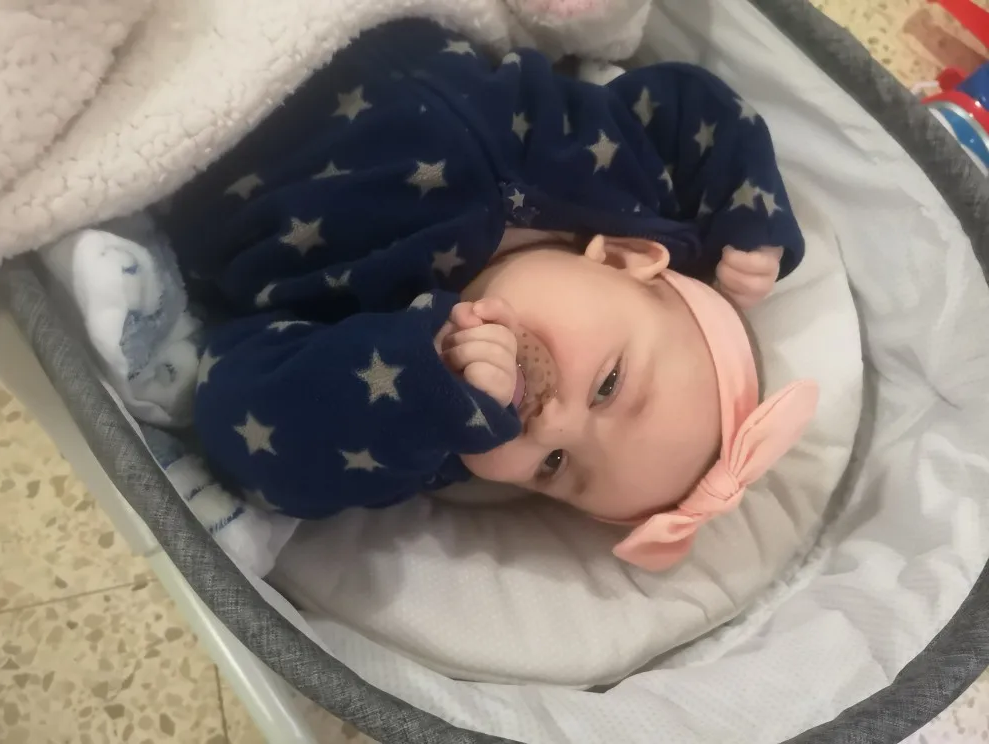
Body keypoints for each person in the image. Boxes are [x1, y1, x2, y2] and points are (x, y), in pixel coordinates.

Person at [160, 18, 817, 570]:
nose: (549, 425)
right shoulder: (624, 178)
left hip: (200, 97)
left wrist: (420, 386)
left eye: (553, 466)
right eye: (608, 385)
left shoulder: (414, 417)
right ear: (624, 259)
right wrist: (750, 213)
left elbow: (239, 426)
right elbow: (691, 108)